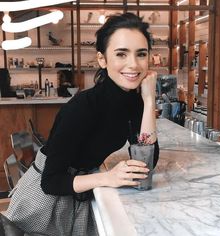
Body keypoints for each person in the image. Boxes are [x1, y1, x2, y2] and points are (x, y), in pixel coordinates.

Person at [6, 12, 159, 236]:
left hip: (79, 192)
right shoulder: (83, 107)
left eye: (141, 54)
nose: (133, 64)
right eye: (121, 54)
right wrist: (108, 177)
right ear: (102, 59)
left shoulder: (134, 101)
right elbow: (51, 182)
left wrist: (149, 100)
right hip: (45, 204)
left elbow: (147, 161)